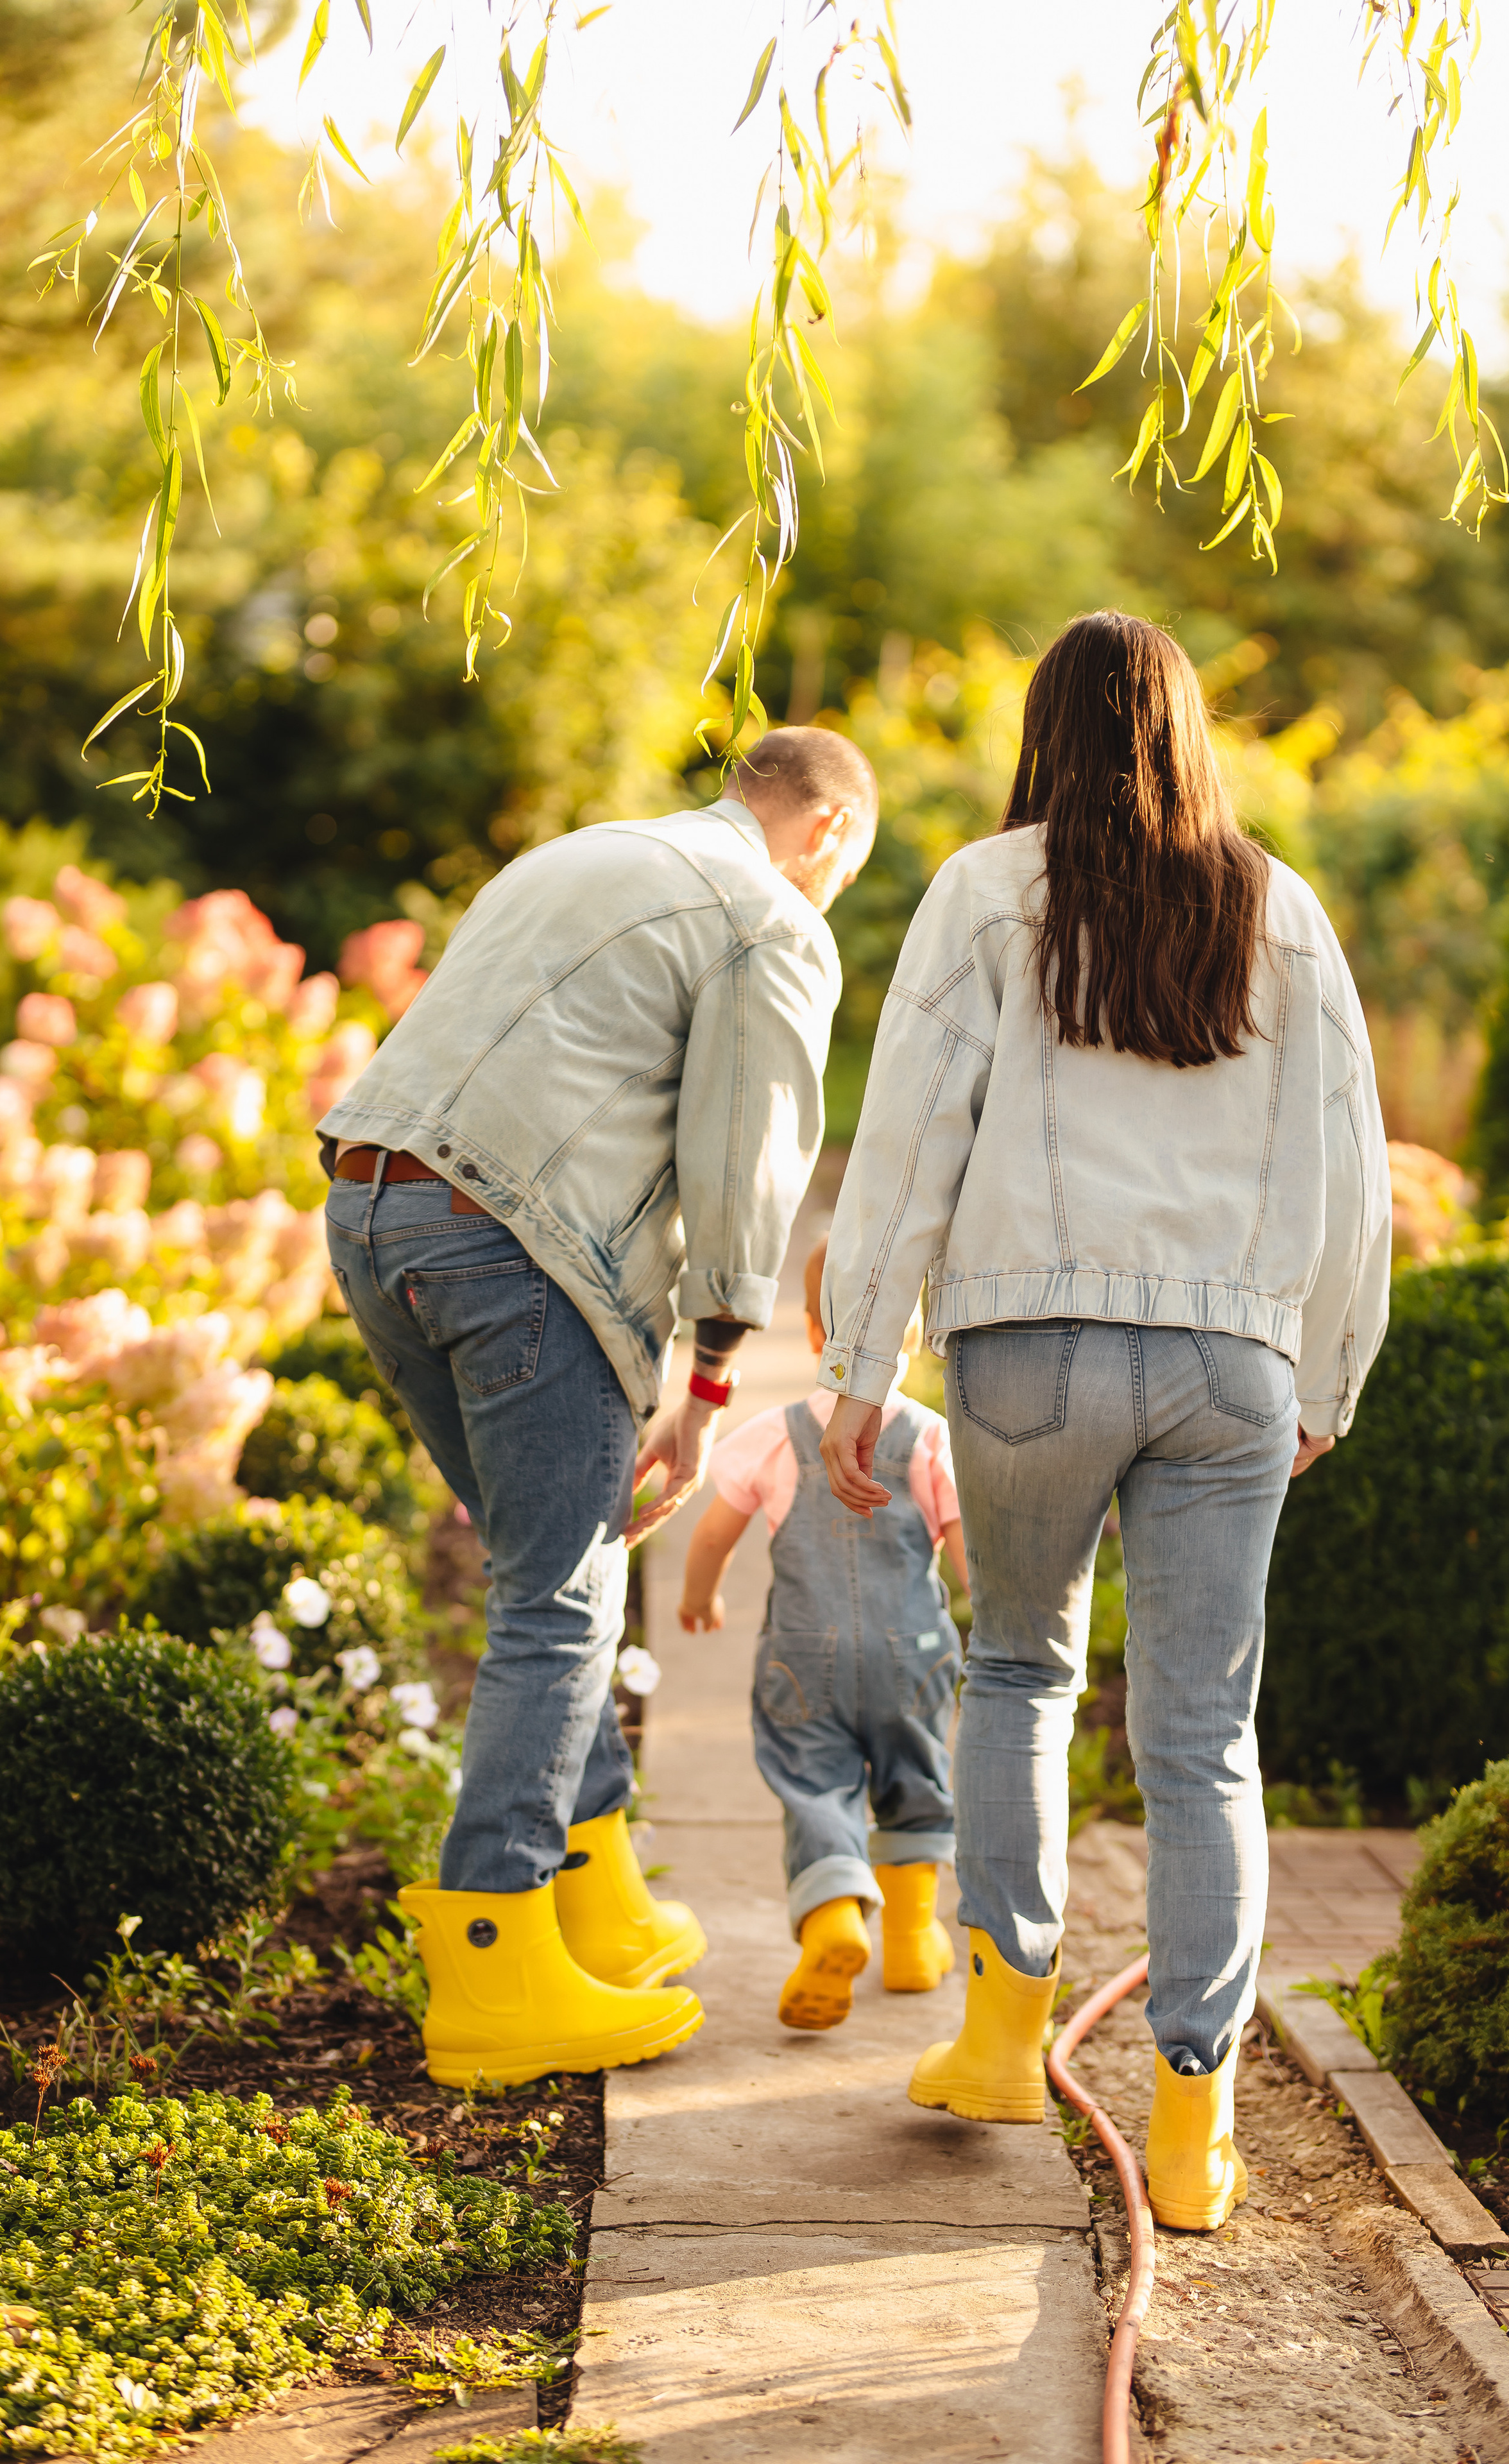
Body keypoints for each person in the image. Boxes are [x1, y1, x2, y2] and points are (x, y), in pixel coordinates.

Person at [816, 612, 1391, 2230]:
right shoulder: (1284, 912)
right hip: (1228, 1371)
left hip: (1028, 1348)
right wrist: (1326, 1376)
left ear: (1043, 731)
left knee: (1015, 1666)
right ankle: (1195, 2125)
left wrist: (861, 1364)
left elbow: (911, 1131)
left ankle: (1002, 2039)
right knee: (1204, 1736)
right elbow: (1346, 1172)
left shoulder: (983, 890)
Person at [317, 729, 878, 2089]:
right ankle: (497, 1967)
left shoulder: (585, 853)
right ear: (829, 834)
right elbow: (748, 1162)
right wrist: (703, 1380)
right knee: (560, 1596)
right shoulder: (772, 918)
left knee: (546, 1562)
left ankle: (595, 1894)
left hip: (372, 1211)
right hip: (504, 1239)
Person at [678, 1236, 968, 2031]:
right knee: (916, 1779)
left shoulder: (776, 1434)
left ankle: (836, 1914)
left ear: (812, 1333)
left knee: (814, 1785)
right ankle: (911, 1940)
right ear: (914, 1334)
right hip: (910, 1652)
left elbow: (711, 1535)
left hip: (802, 1656)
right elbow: (968, 1552)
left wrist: (699, 1599)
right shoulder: (933, 1438)